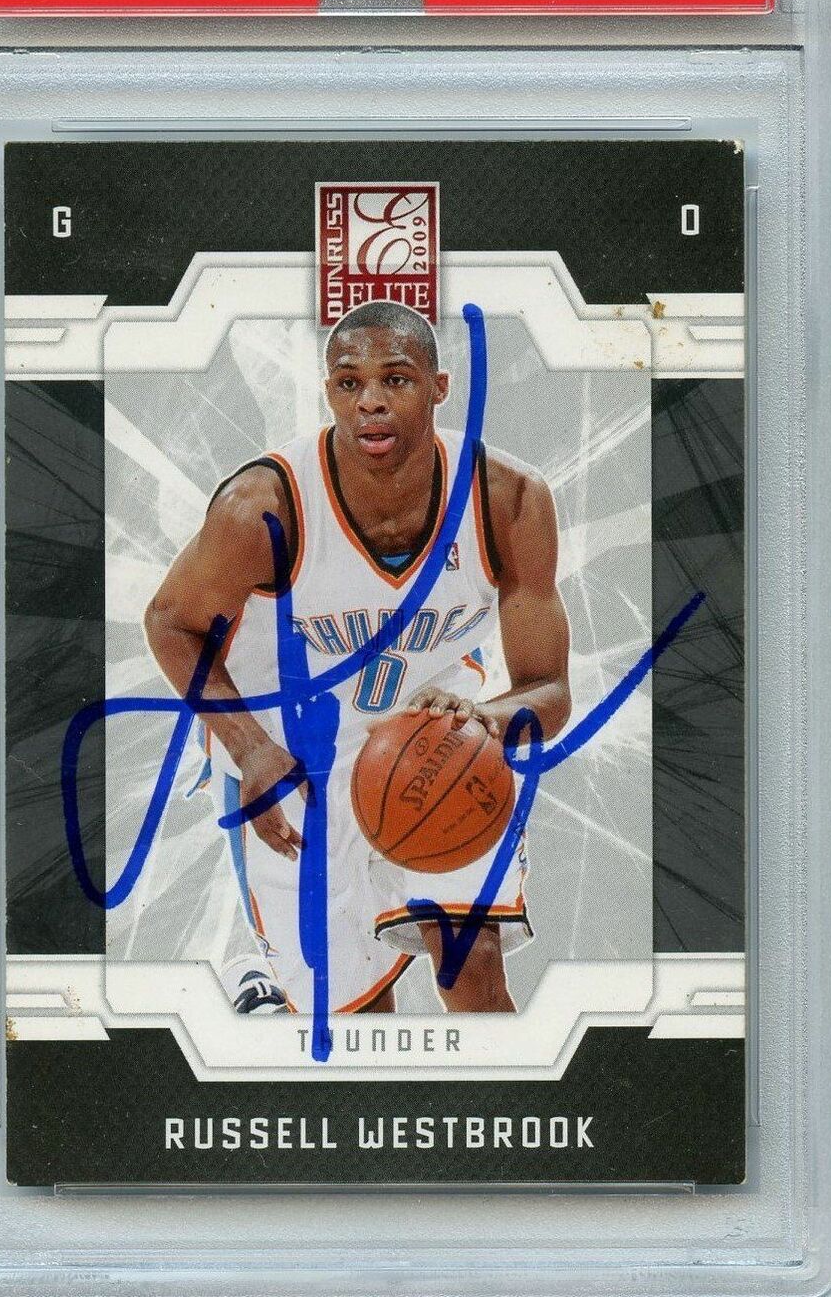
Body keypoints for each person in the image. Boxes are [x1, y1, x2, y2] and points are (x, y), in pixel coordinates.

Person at [145, 301, 571, 1015]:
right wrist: (249, 750)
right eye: (349, 383)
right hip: (291, 757)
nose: (370, 400)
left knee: (474, 970)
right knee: (351, 1023)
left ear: (438, 388)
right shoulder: (263, 506)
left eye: (395, 379)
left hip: (434, 742)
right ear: (329, 393)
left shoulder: (508, 500)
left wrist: (486, 719)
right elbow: (170, 622)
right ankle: (278, 999)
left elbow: (549, 689)